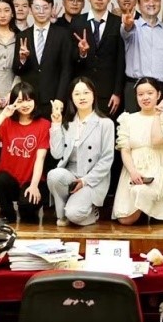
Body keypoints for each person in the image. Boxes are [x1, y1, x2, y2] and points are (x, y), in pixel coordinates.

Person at [47, 77, 116, 226]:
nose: (82, 97)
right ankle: (62, 214)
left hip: (91, 179)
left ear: (94, 95)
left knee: (75, 214)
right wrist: (56, 124)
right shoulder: (68, 123)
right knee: (54, 175)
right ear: (71, 98)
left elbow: (107, 159)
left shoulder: (105, 124)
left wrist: (85, 181)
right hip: (71, 176)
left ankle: (89, 211)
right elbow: (56, 154)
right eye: (77, 94)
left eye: (86, 92)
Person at [111, 79, 163, 224]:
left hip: (158, 169)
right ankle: (142, 212)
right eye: (140, 94)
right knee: (124, 219)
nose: (145, 97)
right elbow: (125, 150)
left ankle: (148, 210)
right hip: (133, 170)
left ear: (158, 94)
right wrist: (133, 172)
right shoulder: (128, 119)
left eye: (150, 93)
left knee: (141, 192)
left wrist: (157, 116)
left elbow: (156, 140)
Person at [0, 81, 50, 224]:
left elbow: (40, 159)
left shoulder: (44, 125)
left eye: (29, 100)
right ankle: (7, 213)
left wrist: (34, 185)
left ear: (35, 101)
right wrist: (3, 115)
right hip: (11, 182)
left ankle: (27, 208)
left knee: (27, 211)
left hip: (32, 181)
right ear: (13, 103)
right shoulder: (7, 123)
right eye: (20, 101)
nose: (25, 104)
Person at [73, 0, 125, 115]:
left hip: (109, 92)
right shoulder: (77, 22)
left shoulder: (118, 23)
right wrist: (82, 53)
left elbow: (121, 60)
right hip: (83, 89)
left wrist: (117, 92)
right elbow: (70, 58)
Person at [16, 0, 75, 105]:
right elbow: (17, 70)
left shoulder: (63, 34)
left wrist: (60, 98)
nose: (41, 11)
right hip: (29, 99)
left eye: (45, 7)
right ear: (30, 10)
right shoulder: (22, 36)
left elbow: (66, 69)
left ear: (51, 9)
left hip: (54, 98)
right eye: (37, 8)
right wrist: (22, 60)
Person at [122, 0, 163, 109]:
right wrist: (127, 24)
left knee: (162, 121)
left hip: (161, 88)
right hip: (135, 86)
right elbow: (126, 31)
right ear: (139, 4)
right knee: (134, 121)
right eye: (146, 0)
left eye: (156, 0)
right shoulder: (132, 25)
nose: (151, 3)